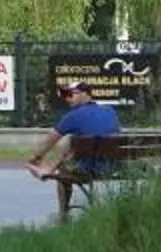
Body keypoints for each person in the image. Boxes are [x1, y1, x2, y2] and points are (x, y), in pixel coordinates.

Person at [26, 78, 123, 222]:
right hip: (115, 166)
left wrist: (36, 157)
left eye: (71, 94)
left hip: (89, 169)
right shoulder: (109, 111)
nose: (67, 98)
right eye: (65, 95)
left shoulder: (73, 116)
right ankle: (50, 170)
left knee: (64, 169)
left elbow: (51, 139)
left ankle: (63, 215)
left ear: (86, 94)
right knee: (73, 142)